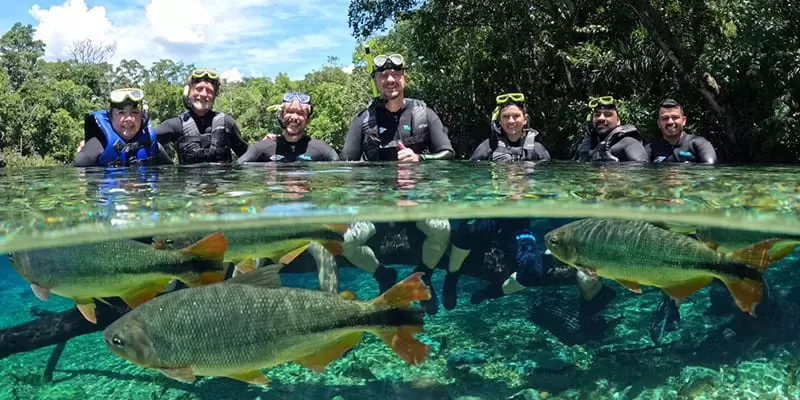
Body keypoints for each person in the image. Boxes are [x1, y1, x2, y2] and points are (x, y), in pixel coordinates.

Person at [341, 53, 454, 161]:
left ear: (405, 79)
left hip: (417, 180)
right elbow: (347, 165)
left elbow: (448, 154)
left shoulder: (425, 115)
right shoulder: (361, 120)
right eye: (383, 75)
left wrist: (419, 158)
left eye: (396, 74)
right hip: (376, 180)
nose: (390, 80)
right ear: (375, 82)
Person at [155, 68, 249, 164]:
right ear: (188, 92)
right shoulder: (175, 125)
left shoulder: (227, 123)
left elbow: (247, 154)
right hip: (189, 178)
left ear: (215, 95)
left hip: (222, 178)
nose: (203, 94)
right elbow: (143, 141)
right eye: (199, 89)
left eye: (209, 90)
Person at [74, 88, 173, 167]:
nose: (128, 119)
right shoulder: (96, 146)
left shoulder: (152, 146)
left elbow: (169, 173)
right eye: (121, 113)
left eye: (134, 112)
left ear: (143, 117)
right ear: (110, 117)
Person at [236, 92, 339, 163]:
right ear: (281, 115)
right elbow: (237, 171)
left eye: (300, 113)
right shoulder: (261, 148)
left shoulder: (323, 149)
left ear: (308, 120)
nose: (294, 117)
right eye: (289, 112)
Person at [470, 93, 551, 162]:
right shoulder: (487, 147)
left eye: (516, 116)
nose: (511, 121)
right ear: (499, 121)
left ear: (525, 119)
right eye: (506, 116)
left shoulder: (538, 149)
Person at [573, 96, 648, 162]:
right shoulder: (584, 147)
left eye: (607, 115)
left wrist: (613, 169)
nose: (601, 118)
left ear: (618, 121)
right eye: (597, 115)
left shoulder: (629, 143)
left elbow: (643, 168)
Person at [646, 99, 718, 164]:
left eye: (675, 117)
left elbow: (710, 170)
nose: (670, 122)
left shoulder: (699, 144)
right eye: (665, 118)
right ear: (659, 123)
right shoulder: (650, 149)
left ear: (684, 121)